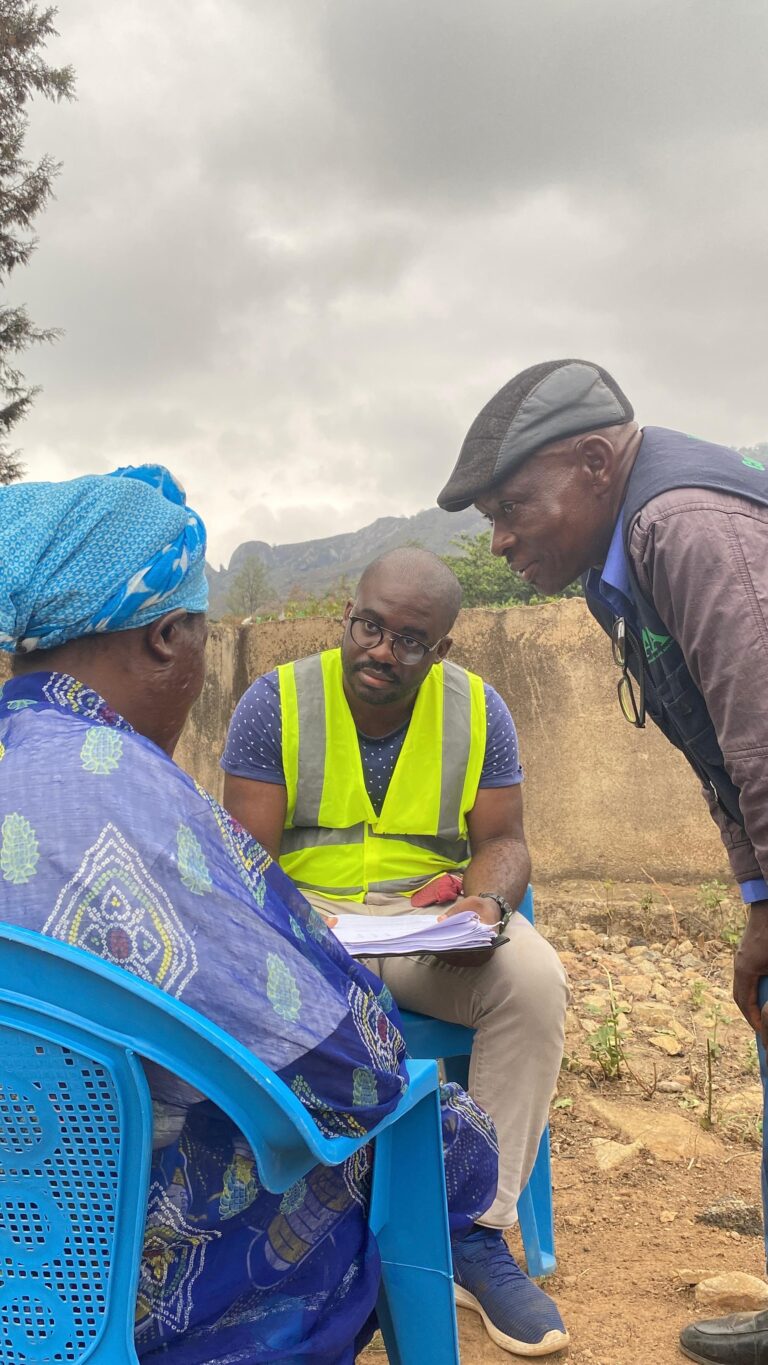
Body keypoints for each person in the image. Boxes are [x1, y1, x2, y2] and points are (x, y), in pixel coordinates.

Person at [0, 467, 500, 1365]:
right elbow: (339, 1065)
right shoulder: (135, 795)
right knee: (409, 1130)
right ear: (167, 638)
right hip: (114, 1258)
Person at [438, 356, 768, 1365]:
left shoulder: (684, 529)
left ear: (594, 463)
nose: (499, 541)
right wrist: (756, 898)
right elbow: (722, 754)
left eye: (512, 507)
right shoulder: (615, 572)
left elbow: (761, 730)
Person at [222, 546, 570, 1358]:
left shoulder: (480, 711)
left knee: (533, 977)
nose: (382, 649)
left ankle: (476, 1231)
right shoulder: (276, 702)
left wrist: (485, 906)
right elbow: (243, 863)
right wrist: (305, 928)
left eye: (409, 639)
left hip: (425, 934)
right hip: (308, 937)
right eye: (369, 626)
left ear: (441, 647)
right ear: (350, 613)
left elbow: (506, 842)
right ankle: (293, 1240)